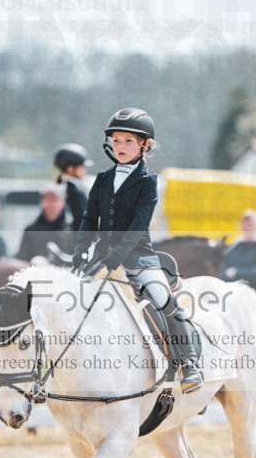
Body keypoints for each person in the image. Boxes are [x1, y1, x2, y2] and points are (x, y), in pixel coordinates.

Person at [71, 107, 203, 395]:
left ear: (144, 145)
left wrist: (115, 258)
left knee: (163, 298)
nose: (121, 146)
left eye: (128, 141)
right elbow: (88, 217)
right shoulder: (103, 179)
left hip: (138, 259)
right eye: (116, 140)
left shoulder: (148, 182)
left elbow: (138, 225)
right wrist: (81, 249)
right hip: (101, 258)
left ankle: (189, 363)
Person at [220, 209, 256, 319]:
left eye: (251, 225)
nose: (248, 228)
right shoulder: (233, 249)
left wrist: (236, 272)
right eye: (245, 225)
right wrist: (247, 271)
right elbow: (223, 273)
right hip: (235, 302)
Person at [16, 183, 74, 263]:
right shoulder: (31, 230)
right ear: (42, 202)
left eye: (56, 199)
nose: (52, 204)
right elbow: (22, 260)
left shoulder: (72, 230)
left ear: (63, 202)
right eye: (48, 199)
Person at [54, 144, 93, 232]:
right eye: (82, 166)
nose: (85, 169)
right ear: (70, 168)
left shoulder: (59, 187)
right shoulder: (73, 190)